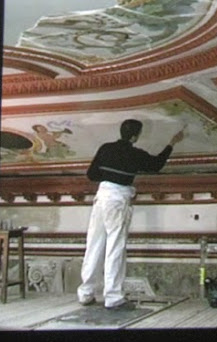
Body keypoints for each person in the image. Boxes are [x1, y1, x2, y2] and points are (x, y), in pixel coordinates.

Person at [77, 119, 184, 310]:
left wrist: (110, 175)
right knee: (115, 249)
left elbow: (92, 175)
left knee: (93, 246)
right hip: (118, 201)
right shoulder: (136, 154)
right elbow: (156, 165)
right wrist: (172, 143)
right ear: (135, 136)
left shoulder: (105, 148)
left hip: (100, 199)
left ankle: (86, 293)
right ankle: (113, 297)